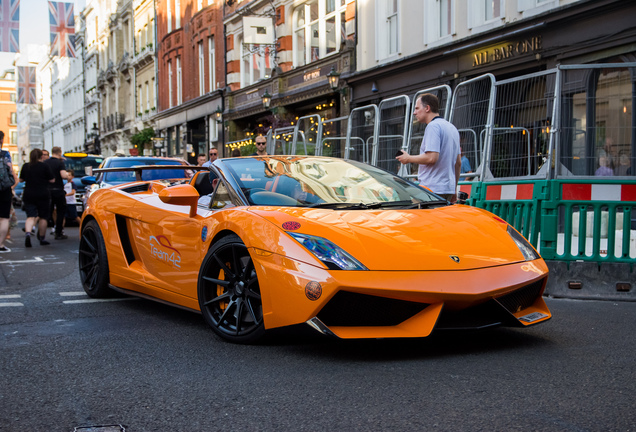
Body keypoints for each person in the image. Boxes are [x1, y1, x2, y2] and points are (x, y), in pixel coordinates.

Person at [397, 93, 461, 202]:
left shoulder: (433, 126)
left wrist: (408, 158)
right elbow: (458, 162)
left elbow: (432, 157)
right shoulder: (452, 128)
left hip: (431, 188)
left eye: (417, 108)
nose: (414, 112)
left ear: (427, 108)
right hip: (447, 189)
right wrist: (453, 189)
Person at [20, 148, 54, 247]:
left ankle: (28, 233)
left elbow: (21, 180)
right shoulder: (45, 166)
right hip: (43, 193)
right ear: (41, 156)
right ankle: (42, 238)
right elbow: (52, 180)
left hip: (29, 193)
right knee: (43, 217)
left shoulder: (26, 166)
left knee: (31, 216)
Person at [44, 146, 68, 240]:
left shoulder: (46, 162)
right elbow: (63, 175)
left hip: (47, 190)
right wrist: (66, 175)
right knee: (60, 211)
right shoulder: (60, 163)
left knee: (48, 212)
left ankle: (42, 232)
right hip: (58, 189)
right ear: (59, 152)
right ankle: (58, 232)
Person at [0, 131, 17, 252]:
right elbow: (10, 170)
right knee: (4, 218)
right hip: (4, 189)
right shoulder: (5, 154)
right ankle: (0, 244)